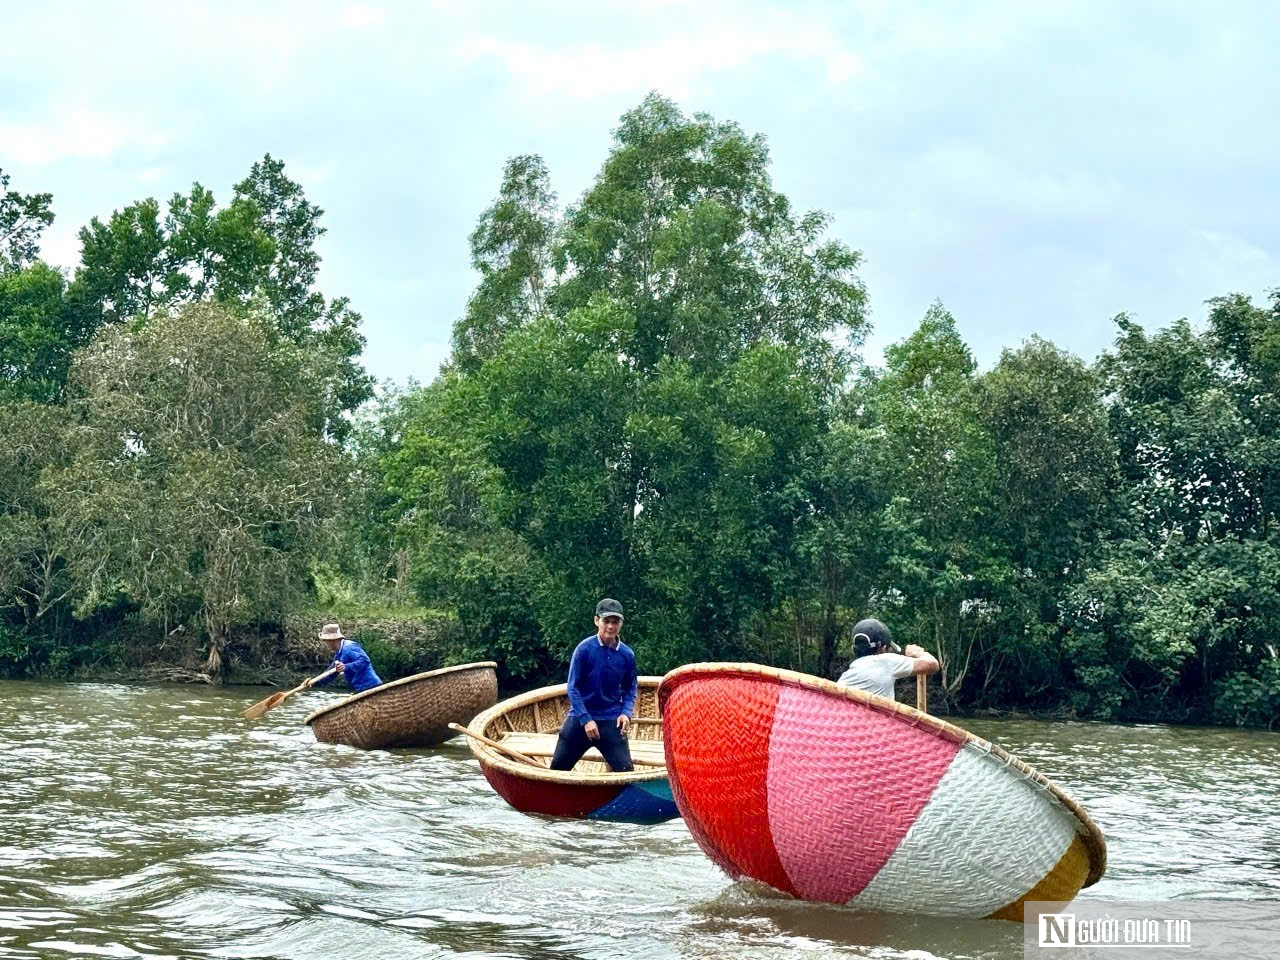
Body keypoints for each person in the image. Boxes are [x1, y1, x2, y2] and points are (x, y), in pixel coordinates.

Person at [550, 598, 637, 773]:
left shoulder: (627, 654)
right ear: (597, 621)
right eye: (606, 621)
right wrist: (586, 719)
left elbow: (630, 687)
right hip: (581, 718)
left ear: (621, 624)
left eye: (615, 622)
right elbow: (572, 688)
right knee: (556, 771)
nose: (611, 627)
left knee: (626, 772)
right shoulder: (584, 650)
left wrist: (626, 713)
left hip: (611, 719)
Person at [835, 617, 938, 702]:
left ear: (854, 650)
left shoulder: (844, 678)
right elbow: (932, 664)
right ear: (883, 648)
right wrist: (918, 653)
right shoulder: (886, 661)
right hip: (878, 725)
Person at [306, 622, 383, 693]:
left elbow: (364, 660)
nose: (326, 644)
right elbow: (330, 673)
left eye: (326, 641)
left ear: (331, 640)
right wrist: (312, 683)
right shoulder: (338, 653)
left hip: (371, 687)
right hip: (359, 689)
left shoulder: (349, 647)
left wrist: (346, 667)